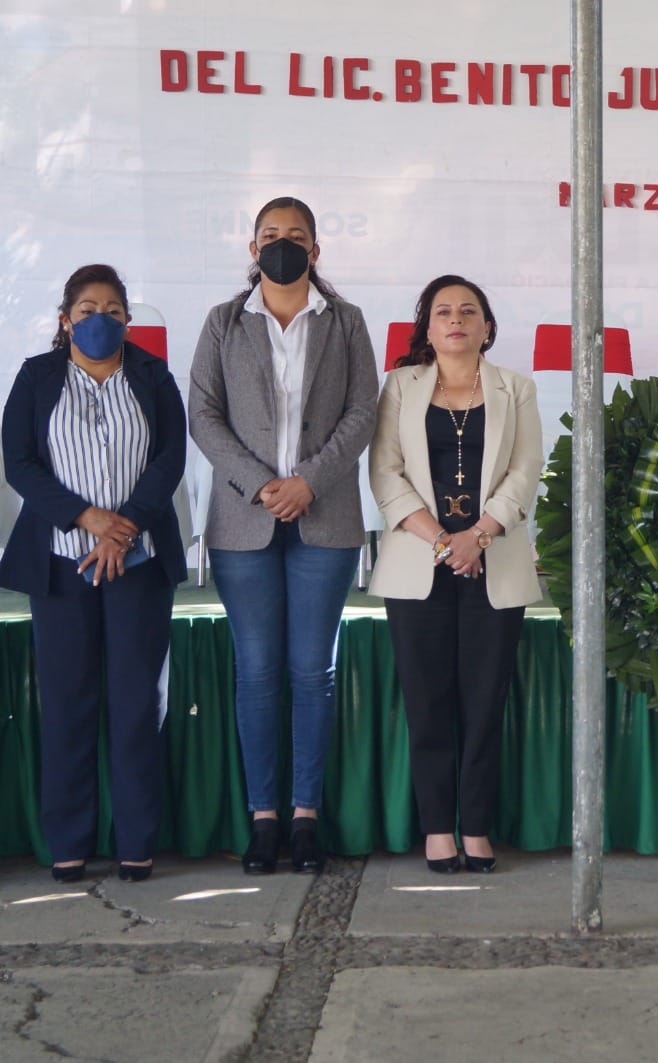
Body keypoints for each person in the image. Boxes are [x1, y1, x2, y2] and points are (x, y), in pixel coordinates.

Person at [188, 197, 378, 875]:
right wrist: (260, 484)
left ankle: (305, 816)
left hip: (324, 519)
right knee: (259, 672)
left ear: (315, 251)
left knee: (313, 672)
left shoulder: (346, 323)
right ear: (252, 247)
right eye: (270, 236)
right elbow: (204, 415)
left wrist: (309, 481)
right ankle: (263, 818)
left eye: (295, 237)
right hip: (245, 521)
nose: (282, 245)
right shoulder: (223, 323)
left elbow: (363, 411)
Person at [0, 264, 187, 883]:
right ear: (65, 320)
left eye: (111, 308)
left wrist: (123, 527)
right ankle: (69, 844)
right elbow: (20, 465)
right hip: (60, 564)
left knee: (137, 707)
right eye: (86, 309)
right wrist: (89, 519)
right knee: (68, 705)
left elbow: (168, 462)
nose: (99, 319)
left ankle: (136, 843)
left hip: (138, 564)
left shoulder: (154, 377)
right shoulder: (36, 376)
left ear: (128, 319)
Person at [368, 275, 542, 873]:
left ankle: (478, 827)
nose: (457, 320)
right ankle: (438, 828)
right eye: (443, 312)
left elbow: (524, 474)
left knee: (484, 702)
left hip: (493, 561)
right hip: (421, 562)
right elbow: (386, 474)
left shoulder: (516, 389)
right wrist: (443, 540)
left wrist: (479, 536)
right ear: (428, 327)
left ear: (487, 327)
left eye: (469, 311)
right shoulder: (399, 387)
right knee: (428, 702)